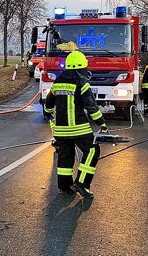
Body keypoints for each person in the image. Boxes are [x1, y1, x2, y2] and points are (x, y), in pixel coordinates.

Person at [43, 51, 108, 198]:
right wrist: (102, 123)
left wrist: (48, 113)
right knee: (92, 151)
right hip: (79, 128)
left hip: (60, 131)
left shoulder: (58, 81)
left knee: (65, 156)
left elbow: (48, 102)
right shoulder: (82, 82)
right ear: (82, 66)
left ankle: (65, 187)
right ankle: (82, 184)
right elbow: (91, 106)